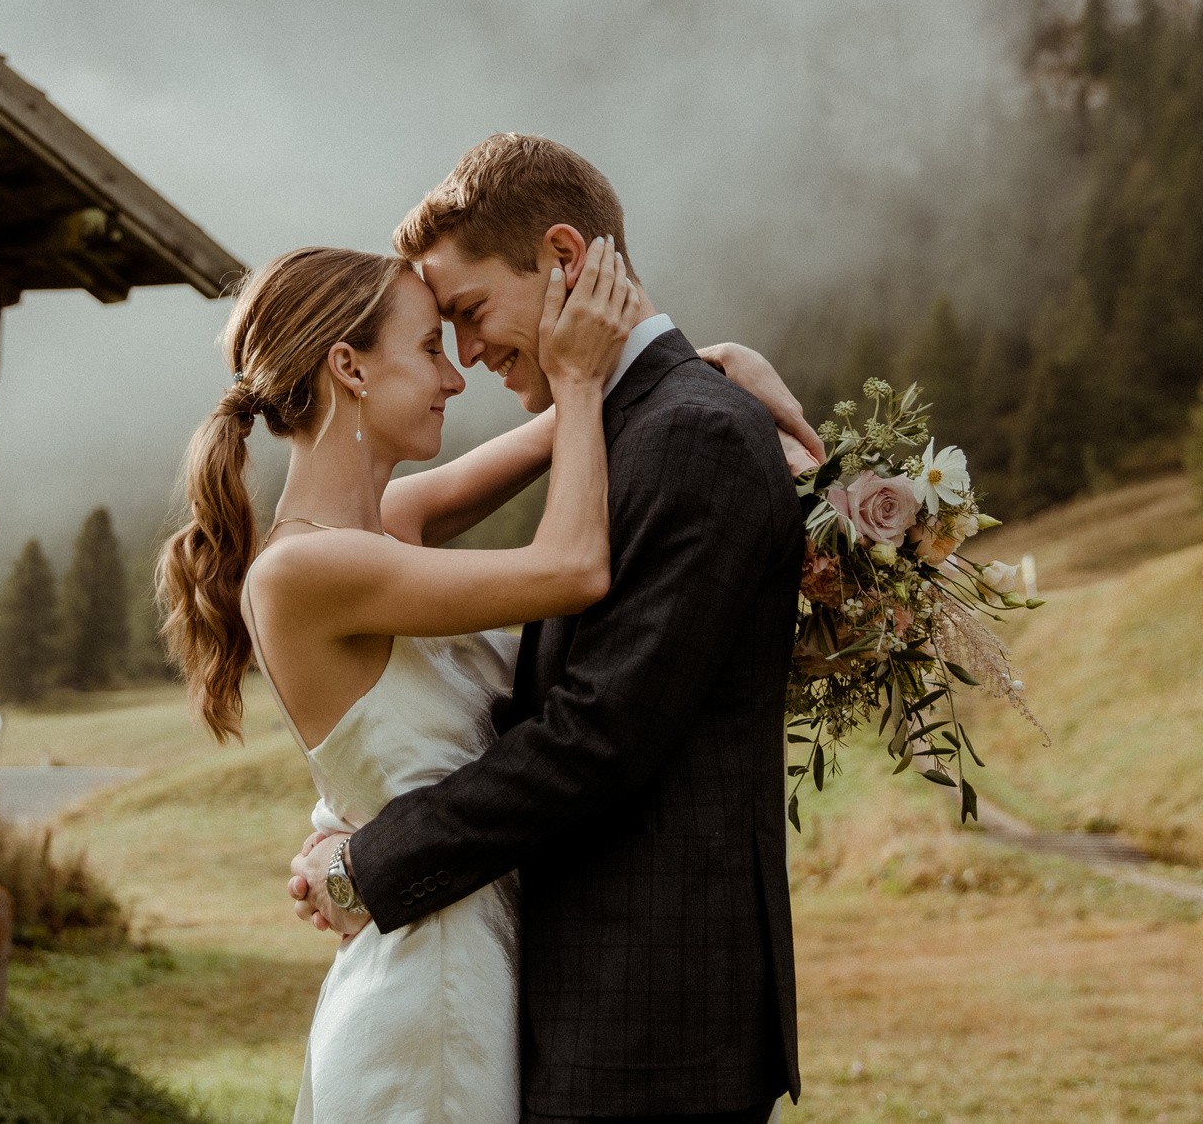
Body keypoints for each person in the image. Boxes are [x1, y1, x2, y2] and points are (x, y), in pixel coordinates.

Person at [157, 200, 814, 1124]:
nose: (455, 375)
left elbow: (603, 423)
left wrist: (707, 366)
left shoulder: (386, 525)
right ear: (348, 367)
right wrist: (578, 384)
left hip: (486, 948)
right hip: (431, 986)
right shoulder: (307, 568)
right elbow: (574, 566)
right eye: (430, 346)